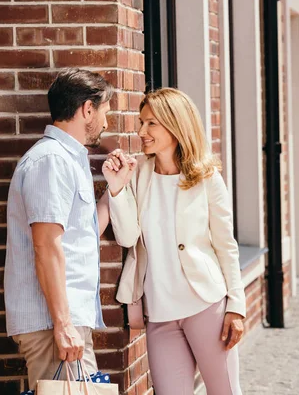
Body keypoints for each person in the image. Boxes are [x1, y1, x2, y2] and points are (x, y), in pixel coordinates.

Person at [103, 87, 245, 395]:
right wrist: (116, 189)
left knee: (225, 391)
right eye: (142, 122)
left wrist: (236, 306)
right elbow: (128, 237)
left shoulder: (206, 177)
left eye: (151, 123)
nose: (142, 131)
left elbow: (226, 246)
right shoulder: (138, 172)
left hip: (206, 306)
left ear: (175, 124)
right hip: (161, 314)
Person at [4, 68, 114, 390]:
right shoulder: (51, 161)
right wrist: (63, 325)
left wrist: (112, 191)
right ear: (87, 109)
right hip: (54, 325)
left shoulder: (67, 159)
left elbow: (79, 238)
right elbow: (46, 246)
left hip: (66, 323)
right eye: (105, 111)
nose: (106, 123)